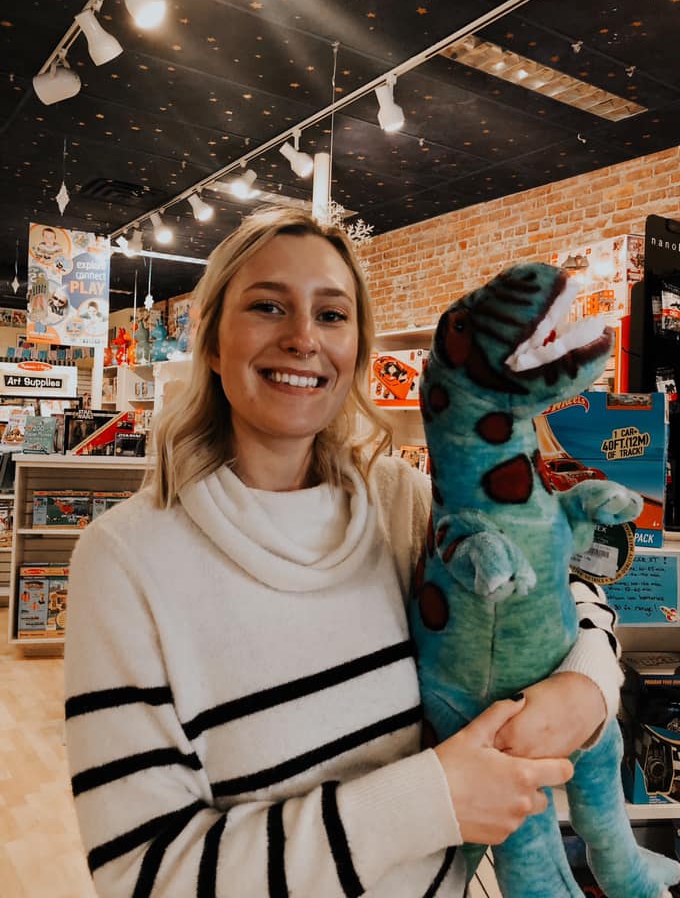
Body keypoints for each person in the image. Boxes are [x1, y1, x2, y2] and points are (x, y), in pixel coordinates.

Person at [64, 206, 623, 898]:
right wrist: (431, 800)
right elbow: (142, 873)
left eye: (331, 315)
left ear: (356, 349)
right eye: (267, 306)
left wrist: (587, 688)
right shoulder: (125, 559)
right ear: (211, 342)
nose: (303, 338)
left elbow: (564, 589)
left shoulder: (399, 501)